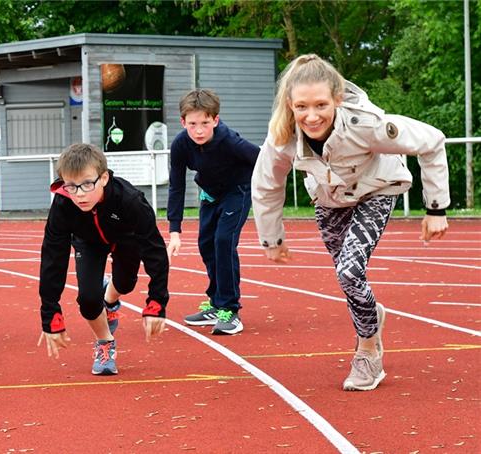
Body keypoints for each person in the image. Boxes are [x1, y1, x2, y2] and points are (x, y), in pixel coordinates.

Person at [251, 54, 449, 391]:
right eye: (301, 107)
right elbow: (267, 185)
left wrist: (436, 208)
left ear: (337, 99)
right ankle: (373, 317)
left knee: (349, 272)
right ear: (290, 104)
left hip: (377, 190)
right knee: (349, 281)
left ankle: (368, 351)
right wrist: (273, 239)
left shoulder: (367, 124)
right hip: (330, 201)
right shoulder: (281, 137)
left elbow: (431, 141)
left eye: (320, 105)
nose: (311, 116)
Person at [38, 143, 169, 375]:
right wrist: (50, 313)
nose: (79, 194)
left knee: (126, 283)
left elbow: (154, 249)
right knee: (88, 299)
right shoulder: (62, 204)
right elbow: (52, 257)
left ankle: (110, 300)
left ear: (104, 178)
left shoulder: (130, 200)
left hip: (125, 238)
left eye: (88, 184)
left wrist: (157, 302)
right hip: (88, 243)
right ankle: (104, 342)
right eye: (71, 186)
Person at [167, 89, 260, 335]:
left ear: (215, 121)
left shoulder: (230, 141)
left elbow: (261, 160)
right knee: (206, 244)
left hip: (237, 191)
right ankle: (216, 303)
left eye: (205, 124)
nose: (199, 130)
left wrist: (267, 195)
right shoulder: (180, 145)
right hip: (210, 194)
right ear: (183, 122)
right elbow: (177, 185)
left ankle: (230, 309)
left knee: (223, 241)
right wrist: (174, 230)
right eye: (193, 124)